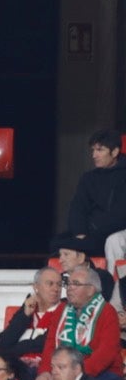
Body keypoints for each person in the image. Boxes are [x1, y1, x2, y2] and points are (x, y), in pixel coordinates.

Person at [52, 130, 126, 308]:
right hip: (92, 234)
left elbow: (120, 213)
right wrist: (79, 233)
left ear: (114, 152)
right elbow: (77, 208)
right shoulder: (89, 178)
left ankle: (110, 296)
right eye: (93, 150)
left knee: (112, 241)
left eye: (99, 150)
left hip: (116, 231)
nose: (94, 155)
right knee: (59, 242)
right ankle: (71, 287)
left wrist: (93, 230)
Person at [40, 266, 120, 380]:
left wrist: (76, 374)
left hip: (101, 372)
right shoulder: (61, 309)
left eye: (76, 284)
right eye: (69, 283)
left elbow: (106, 353)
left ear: (91, 290)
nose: (69, 288)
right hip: (62, 370)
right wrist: (45, 371)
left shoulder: (107, 311)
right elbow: (51, 344)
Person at [0, 268, 65, 377]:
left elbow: (45, 343)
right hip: (16, 371)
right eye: (50, 284)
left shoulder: (65, 311)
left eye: (59, 284)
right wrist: (25, 315)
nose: (56, 289)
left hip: (46, 371)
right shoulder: (25, 311)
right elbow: (3, 343)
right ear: (36, 287)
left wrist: (13, 350)